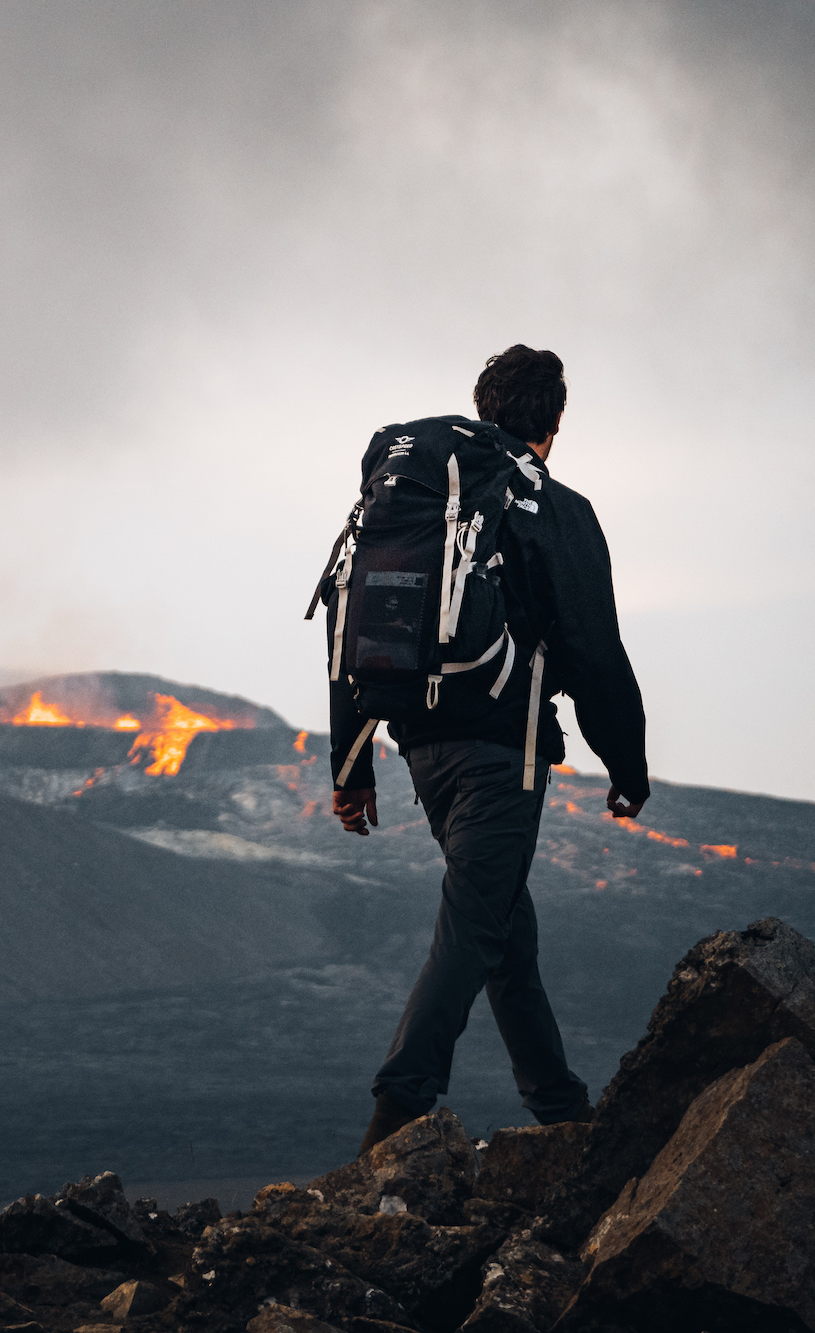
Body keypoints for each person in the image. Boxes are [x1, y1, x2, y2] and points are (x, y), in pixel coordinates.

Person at [327, 345, 650, 1154]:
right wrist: (627, 768)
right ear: (556, 419)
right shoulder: (552, 507)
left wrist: (352, 763)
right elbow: (594, 651)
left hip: (420, 746)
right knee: (474, 928)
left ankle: (563, 1114)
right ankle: (395, 1113)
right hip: (506, 750)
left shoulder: (418, 500)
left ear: (484, 402)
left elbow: (349, 616)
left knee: (504, 929)